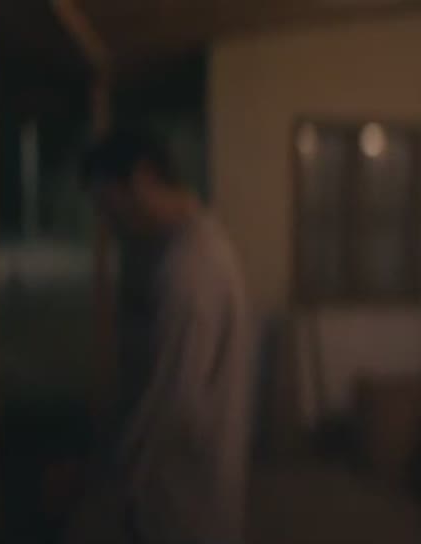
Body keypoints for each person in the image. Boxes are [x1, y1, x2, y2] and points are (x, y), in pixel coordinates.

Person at [67, 128, 254, 544]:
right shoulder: (180, 247)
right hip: (177, 492)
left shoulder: (191, 269)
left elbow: (172, 402)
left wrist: (98, 483)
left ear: (143, 179)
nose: (109, 222)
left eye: (109, 205)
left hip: (182, 502)